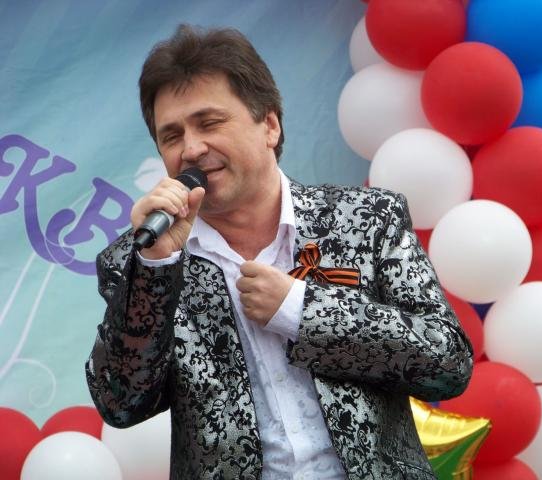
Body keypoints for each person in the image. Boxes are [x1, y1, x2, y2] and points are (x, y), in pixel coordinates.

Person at [86, 24, 473, 480]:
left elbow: (448, 364)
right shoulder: (139, 260)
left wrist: (301, 311)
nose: (191, 148)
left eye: (209, 123)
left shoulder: (366, 219)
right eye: (171, 136)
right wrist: (156, 269)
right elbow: (121, 403)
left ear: (269, 125)